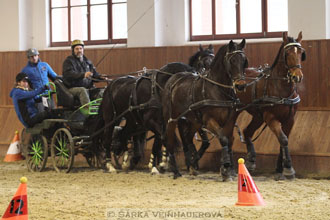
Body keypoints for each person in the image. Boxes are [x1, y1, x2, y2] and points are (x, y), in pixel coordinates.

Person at [62, 39, 104, 108]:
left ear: (83, 49)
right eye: (77, 49)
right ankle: (88, 110)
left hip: (89, 87)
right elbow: (68, 74)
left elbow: (94, 74)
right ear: (73, 50)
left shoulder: (88, 62)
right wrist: (83, 75)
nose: (79, 50)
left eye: (81, 48)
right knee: (82, 90)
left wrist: (100, 77)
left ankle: (99, 110)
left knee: (102, 91)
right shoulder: (68, 61)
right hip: (73, 88)